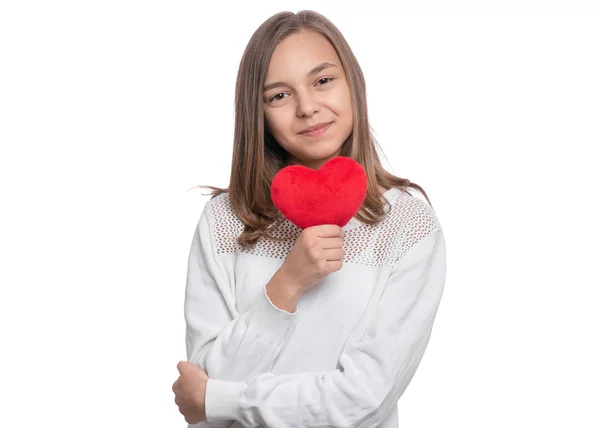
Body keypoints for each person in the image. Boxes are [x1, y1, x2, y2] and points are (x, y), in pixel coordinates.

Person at [172, 9, 447, 428]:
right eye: (279, 95)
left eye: (322, 81)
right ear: (258, 114)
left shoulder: (407, 223)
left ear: (352, 82)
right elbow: (205, 383)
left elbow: (365, 398)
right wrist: (287, 283)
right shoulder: (225, 220)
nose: (307, 108)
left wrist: (226, 401)